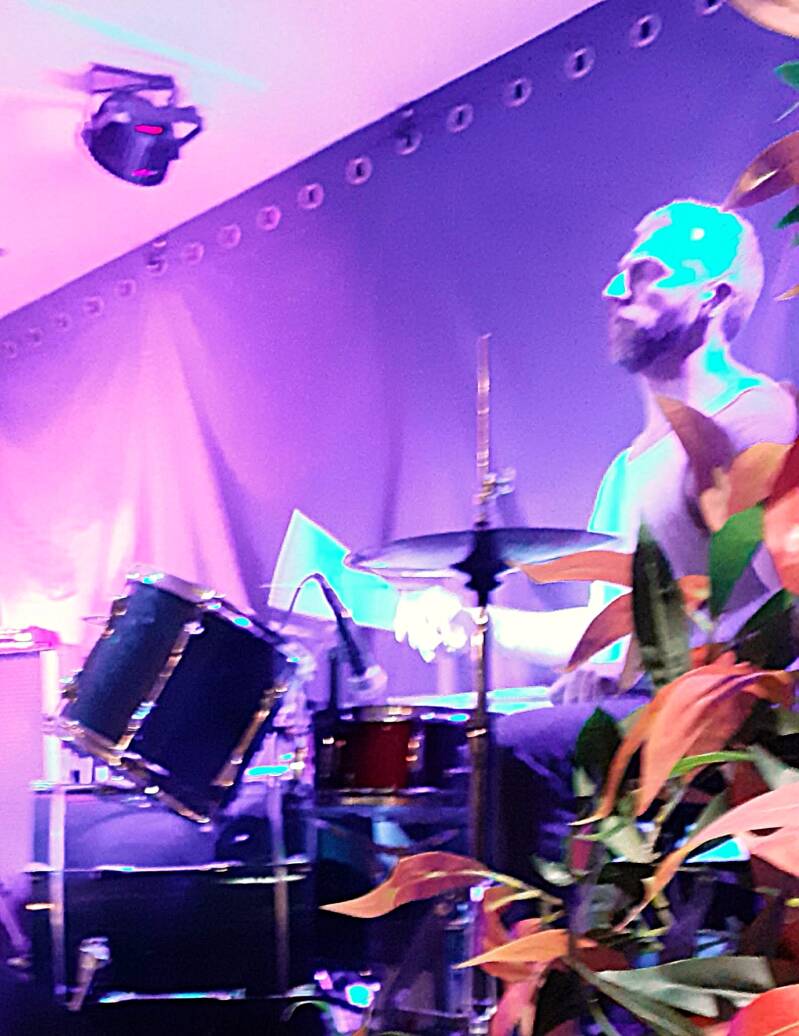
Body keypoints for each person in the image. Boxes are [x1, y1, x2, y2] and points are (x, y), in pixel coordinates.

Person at [393, 198, 797, 869]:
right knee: (449, 759)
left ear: (712, 296)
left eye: (644, 272)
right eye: (618, 273)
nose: (613, 290)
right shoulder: (626, 469)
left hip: (732, 731)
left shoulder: (757, 423)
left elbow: (774, 620)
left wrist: (629, 665)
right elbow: (607, 629)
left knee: (511, 753)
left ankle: (557, 932)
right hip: (658, 713)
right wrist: (480, 623)